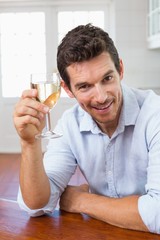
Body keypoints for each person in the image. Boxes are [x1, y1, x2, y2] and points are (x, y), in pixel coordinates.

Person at [13, 23, 160, 234]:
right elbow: (35, 205)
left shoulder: (155, 115)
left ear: (120, 69)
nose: (101, 97)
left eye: (107, 79)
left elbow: (157, 214)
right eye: (84, 86)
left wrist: (81, 201)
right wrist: (29, 143)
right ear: (67, 89)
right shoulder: (70, 123)